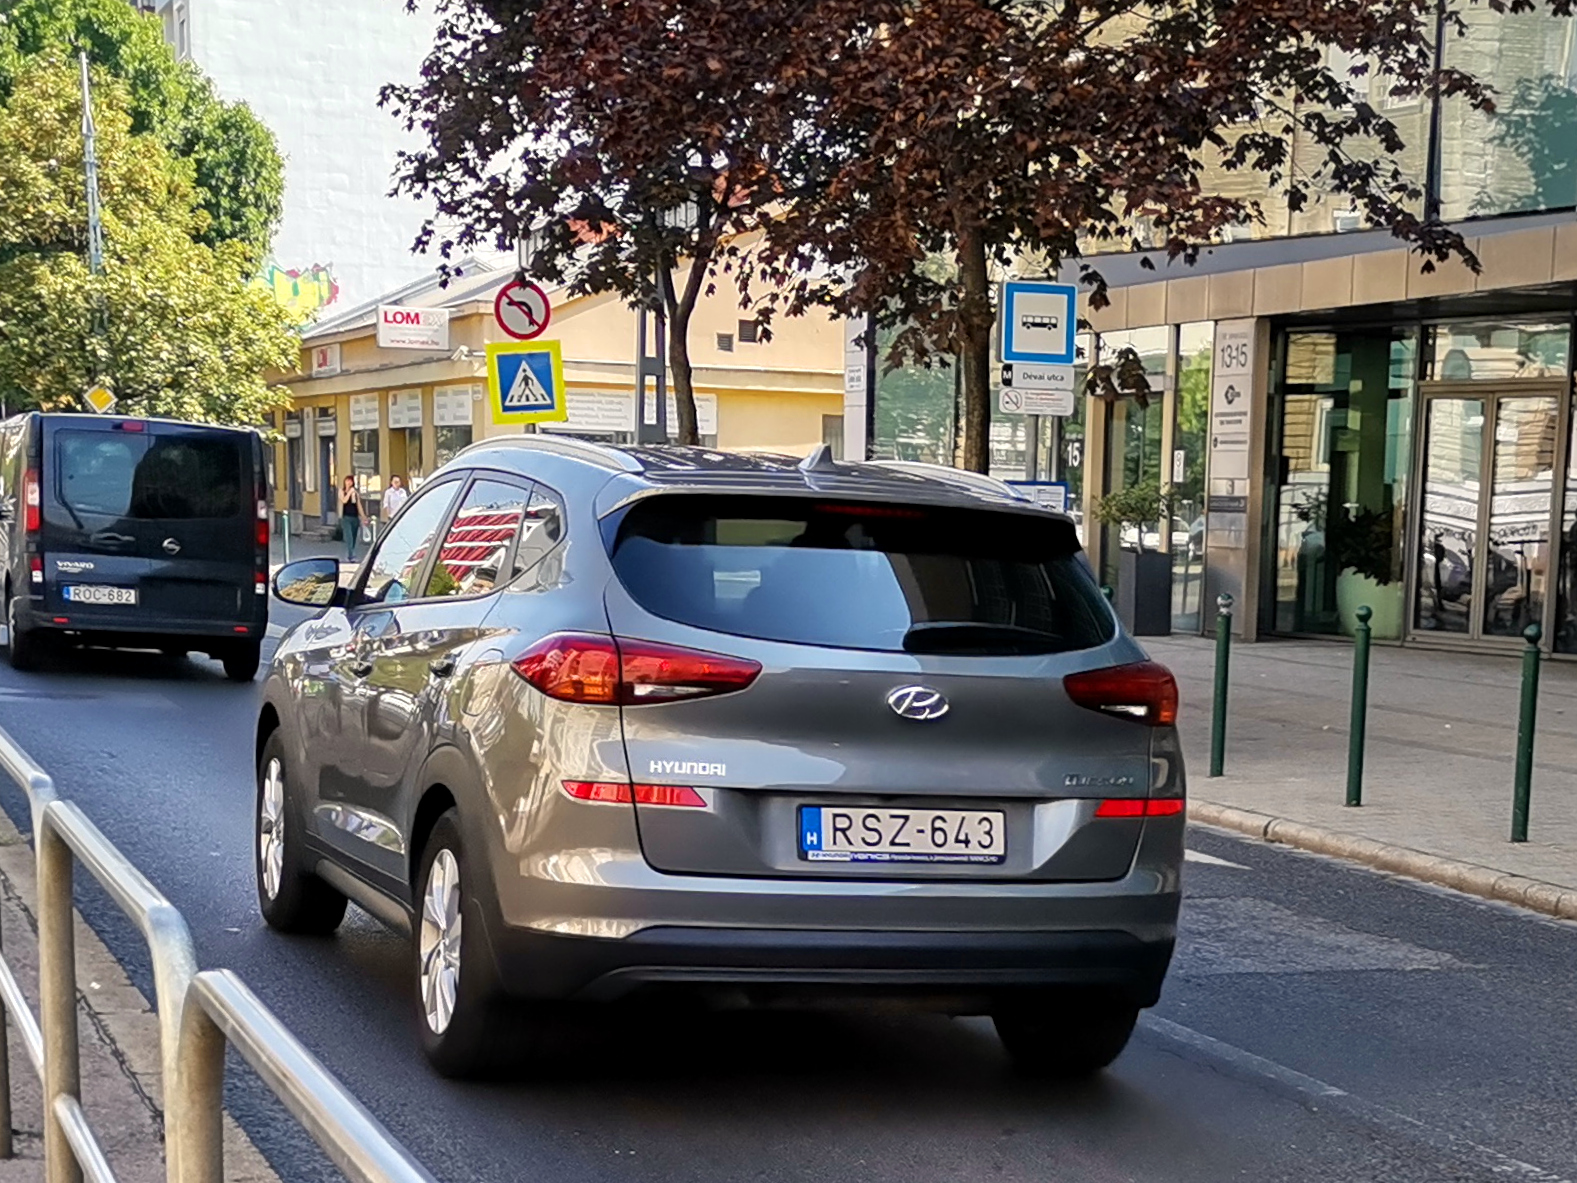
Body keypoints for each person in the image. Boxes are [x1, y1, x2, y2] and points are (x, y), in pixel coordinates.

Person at [338, 476, 361, 561]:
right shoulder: (341, 491)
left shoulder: (355, 492)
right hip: (346, 517)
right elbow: (344, 500)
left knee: (354, 537)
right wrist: (349, 492)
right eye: (347, 480)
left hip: (355, 517)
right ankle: (351, 555)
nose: (348, 482)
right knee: (349, 537)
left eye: (350, 481)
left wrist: (363, 516)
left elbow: (358, 505)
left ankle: (351, 553)